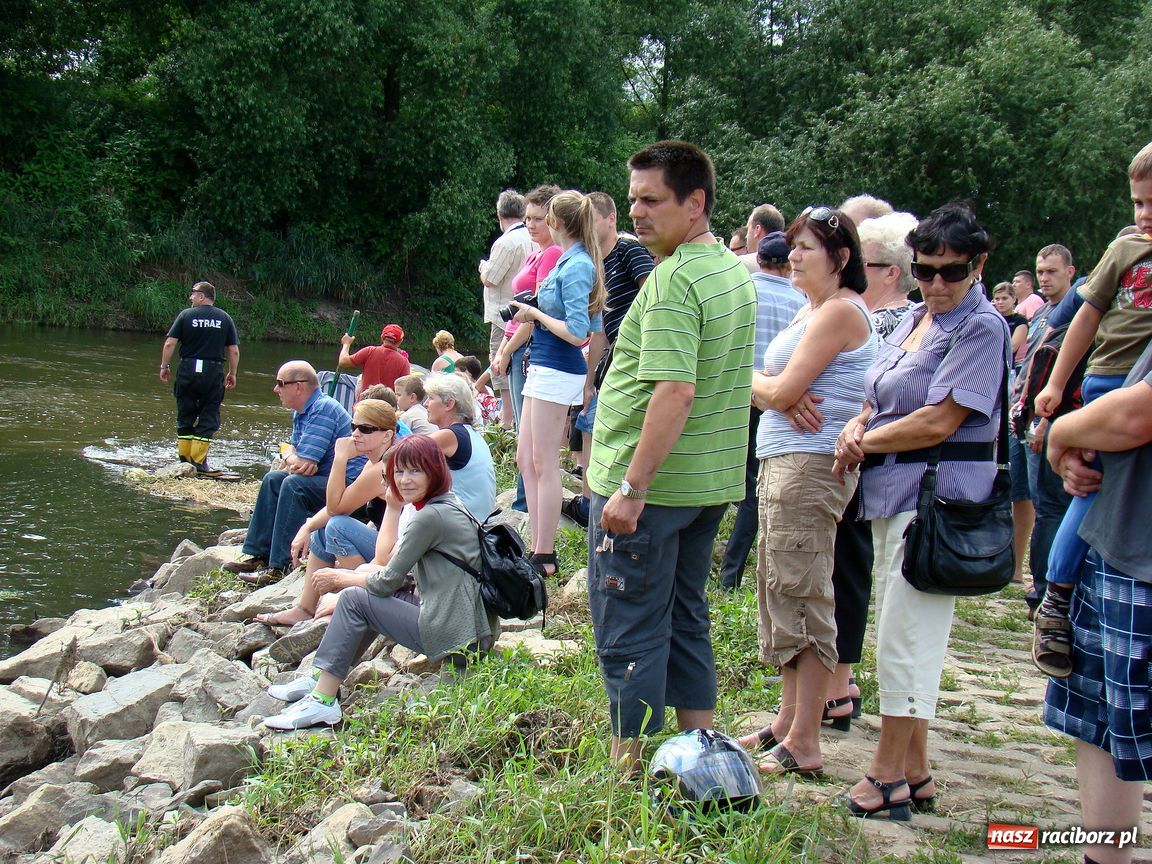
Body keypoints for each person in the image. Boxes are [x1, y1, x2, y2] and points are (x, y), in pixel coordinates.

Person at [832, 202, 1008, 818]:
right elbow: (880, 393)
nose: (936, 283)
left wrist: (864, 440)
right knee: (899, 630)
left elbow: (939, 420)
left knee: (905, 638)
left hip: (937, 500)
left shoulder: (982, 328)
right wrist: (858, 423)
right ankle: (915, 770)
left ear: (978, 265)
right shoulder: (914, 319)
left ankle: (886, 777)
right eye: (926, 270)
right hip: (893, 493)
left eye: (951, 271)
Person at [587, 140, 756, 771]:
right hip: (706, 485)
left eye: (651, 200)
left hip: (652, 493)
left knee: (628, 625)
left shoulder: (674, 279)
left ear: (695, 203)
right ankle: (700, 757)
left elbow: (676, 390)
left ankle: (627, 770)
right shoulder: (730, 270)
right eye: (632, 199)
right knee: (686, 617)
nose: (636, 212)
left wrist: (631, 488)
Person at [736, 207, 876, 775]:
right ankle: (787, 721)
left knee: (803, 590)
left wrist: (767, 389)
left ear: (840, 258)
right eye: (791, 246)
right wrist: (771, 391)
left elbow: (776, 388)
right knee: (781, 587)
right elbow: (771, 390)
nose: (792, 256)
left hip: (810, 467)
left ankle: (805, 742)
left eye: (806, 248)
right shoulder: (809, 308)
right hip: (785, 462)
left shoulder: (839, 311)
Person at [262, 435, 497, 730]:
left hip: (457, 636)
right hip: (472, 628)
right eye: (399, 472)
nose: (404, 480)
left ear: (435, 471)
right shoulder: (447, 503)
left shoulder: (429, 517)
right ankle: (320, 680)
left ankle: (322, 700)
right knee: (368, 599)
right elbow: (395, 570)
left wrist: (340, 579)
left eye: (415, 471)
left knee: (354, 599)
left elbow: (387, 580)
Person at [1030, 141, 1152, 678]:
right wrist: (1057, 384)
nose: (1145, 215)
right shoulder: (1125, 250)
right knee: (1090, 487)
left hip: (1141, 384)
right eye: (1138, 203)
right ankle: (1056, 595)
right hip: (1110, 380)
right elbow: (1084, 317)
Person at [1043, 339, 1152, 864]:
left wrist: (1061, 431)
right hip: (1119, 541)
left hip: (1138, 560)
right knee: (1104, 726)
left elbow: (1134, 417)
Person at [824, 208, 919, 723]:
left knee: (847, 565)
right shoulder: (885, 317)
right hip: (853, 451)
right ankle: (840, 679)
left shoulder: (892, 320)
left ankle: (839, 681)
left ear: (892, 271)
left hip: (862, 458)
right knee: (846, 564)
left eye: (867, 260)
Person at [511, 190, 605, 576]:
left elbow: (580, 331)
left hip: (557, 367)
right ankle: (536, 544)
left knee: (544, 461)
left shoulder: (578, 264)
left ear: (557, 222)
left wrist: (534, 314)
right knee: (526, 458)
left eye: (544, 217)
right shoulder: (572, 259)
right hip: (544, 365)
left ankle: (544, 554)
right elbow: (595, 325)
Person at [255, 399, 401, 627]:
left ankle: (357, 597)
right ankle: (304, 608)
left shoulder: (382, 468)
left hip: (397, 556)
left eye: (365, 429)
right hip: (388, 545)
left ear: (387, 435)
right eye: (353, 426)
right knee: (322, 531)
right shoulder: (376, 461)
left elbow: (336, 508)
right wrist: (308, 526)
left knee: (336, 526)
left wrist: (340, 458)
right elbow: (343, 503)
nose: (355, 434)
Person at [224, 361, 365, 585]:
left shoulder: (323, 409)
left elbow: (302, 463)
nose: (275, 389)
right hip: (327, 480)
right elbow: (300, 464)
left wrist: (288, 453)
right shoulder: (303, 411)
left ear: (299, 386)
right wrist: (293, 458)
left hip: (350, 489)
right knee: (273, 479)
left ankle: (280, 565)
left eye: (280, 383)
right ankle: (259, 555)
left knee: (293, 484)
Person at [563, 190, 656, 528]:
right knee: (588, 421)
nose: (586, 227)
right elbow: (599, 327)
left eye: (591, 219)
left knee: (610, 426)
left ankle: (612, 502)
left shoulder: (629, 250)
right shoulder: (593, 263)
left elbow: (653, 293)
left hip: (635, 353)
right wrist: (589, 382)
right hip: (610, 354)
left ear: (611, 219)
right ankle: (591, 504)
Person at [718, 231, 804, 591]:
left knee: (720, 472)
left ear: (760, 260)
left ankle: (698, 554)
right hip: (774, 399)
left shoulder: (742, 289)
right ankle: (731, 572)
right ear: (788, 265)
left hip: (733, 391)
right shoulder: (801, 302)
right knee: (754, 484)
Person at [1011, 244, 1077, 616]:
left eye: (1052, 271)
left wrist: (1045, 420)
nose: (1044, 279)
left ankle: (1045, 591)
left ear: (1071, 272)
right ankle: (1022, 574)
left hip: (1047, 418)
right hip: (1024, 415)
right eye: (1040, 272)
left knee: (1048, 506)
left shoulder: (1076, 314)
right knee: (1023, 496)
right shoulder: (1041, 314)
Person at [159, 281, 239, 477]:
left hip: (188, 369)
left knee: (185, 412)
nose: (190, 297)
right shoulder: (224, 318)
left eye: (193, 293)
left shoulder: (186, 315)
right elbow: (234, 350)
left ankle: (184, 461)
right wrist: (232, 372)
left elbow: (169, 344)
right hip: (212, 370)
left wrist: (164, 366)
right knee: (209, 414)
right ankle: (199, 463)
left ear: (202, 296)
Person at [479, 189, 535, 427]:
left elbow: (491, 279)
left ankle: (507, 419)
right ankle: (515, 419)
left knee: (500, 363)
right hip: (528, 315)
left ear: (500, 215)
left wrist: (483, 267)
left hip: (505, 316)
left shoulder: (505, 242)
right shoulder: (533, 238)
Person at [991, 281, 1034, 584]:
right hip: (1008, 391)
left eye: (1005, 297)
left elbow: (1012, 348)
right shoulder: (994, 320)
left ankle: (1017, 564)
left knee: (1021, 490)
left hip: (1013, 390)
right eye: (996, 297)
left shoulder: (1019, 322)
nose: (1000, 302)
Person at [424, 373, 497, 519]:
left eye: (431, 398)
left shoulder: (449, 436)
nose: (425, 403)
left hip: (464, 522)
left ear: (449, 404)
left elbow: (403, 456)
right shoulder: (472, 434)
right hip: (477, 520)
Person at [339, 324, 411, 398]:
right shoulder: (404, 362)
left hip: (365, 403)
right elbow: (405, 389)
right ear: (400, 341)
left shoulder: (369, 351)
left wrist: (346, 344)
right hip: (386, 405)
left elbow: (343, 362)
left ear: (382, 337)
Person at [740, 203, 786, 273]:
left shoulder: (740, 264)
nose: (746, 236)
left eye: (748, 230)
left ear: (757, 229)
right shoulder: (793, 265)